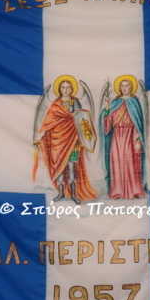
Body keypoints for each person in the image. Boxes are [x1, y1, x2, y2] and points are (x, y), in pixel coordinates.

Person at [36, 75, 98, 204]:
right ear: (59, 89)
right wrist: (41, 135)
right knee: (59, 166)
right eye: (63, 87)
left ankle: (74, 194)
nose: (66, 90)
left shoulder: (75, 103)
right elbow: (48, 122)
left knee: (71, 167)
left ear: (72, 89)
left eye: (68, 87)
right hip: (57, 141)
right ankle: (61, 193)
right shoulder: (55, 105)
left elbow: (80, 120)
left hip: (72, 140)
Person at [100, 75, 147, 200]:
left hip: (130, 136)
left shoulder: (134, 102)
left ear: (131, 87)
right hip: (117, 137)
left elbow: (138, 123)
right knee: (117, 163)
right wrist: (107, 109)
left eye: (127, 85)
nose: (124, 88)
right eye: (122, 86)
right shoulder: (115, 103)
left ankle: (134, 191)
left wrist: (138, 139)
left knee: (131, 163)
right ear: (119, 88)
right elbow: (107, 125)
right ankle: (117, 192)